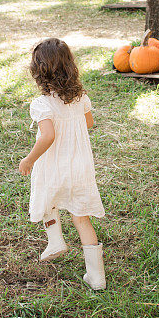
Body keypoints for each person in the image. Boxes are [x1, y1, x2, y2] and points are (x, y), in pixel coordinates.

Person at [19, 39, 106, 290]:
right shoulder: (81, 98)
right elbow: (89, 124)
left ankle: (55, 240)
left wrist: (29, 159)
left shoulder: (42, 104)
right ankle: (97, 277)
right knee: (82, 219)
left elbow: (48, 136)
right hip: (79, 167)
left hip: (53, 165)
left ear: (39, 72)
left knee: (47, 199)